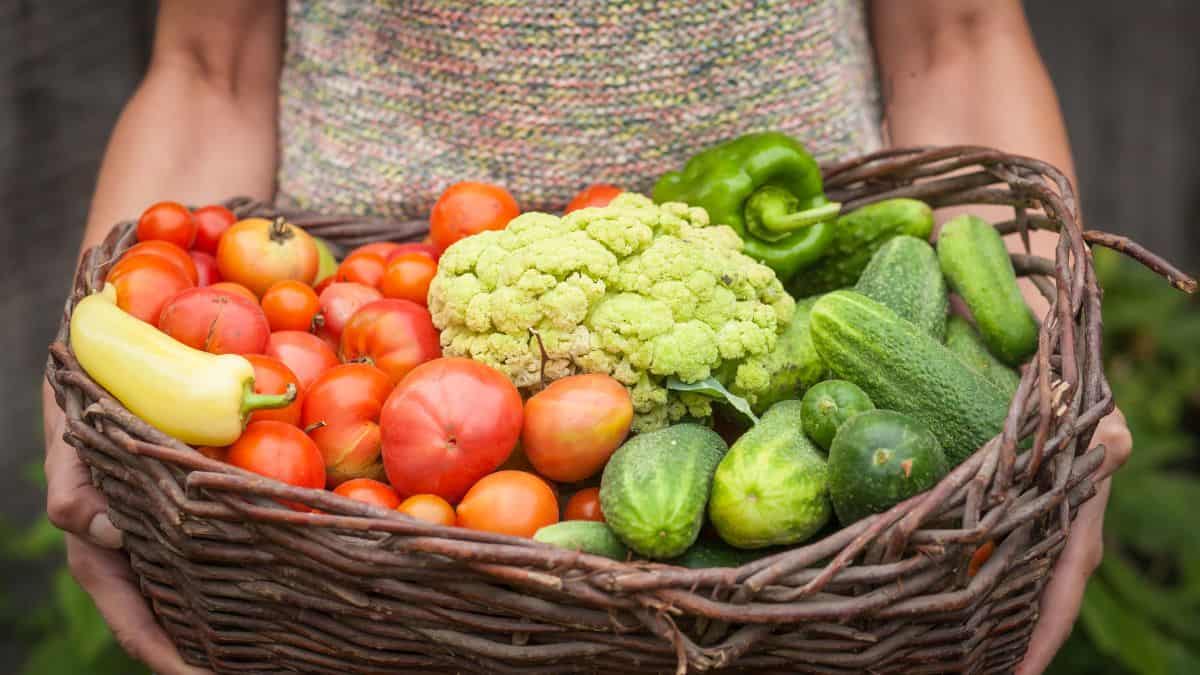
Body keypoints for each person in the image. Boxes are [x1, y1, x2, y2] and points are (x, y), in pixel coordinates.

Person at [42, 1, 1131, 673]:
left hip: (808, 367)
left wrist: (1047, 401)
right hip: (363, 380)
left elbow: (961, 38)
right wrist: (104, 380)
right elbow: (207, 70)